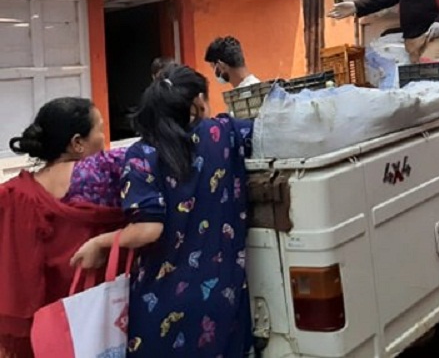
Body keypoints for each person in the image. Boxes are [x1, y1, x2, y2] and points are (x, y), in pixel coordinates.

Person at [71, 65, 254, 357]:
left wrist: (99, 243)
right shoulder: (225, 133)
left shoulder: (142, 155)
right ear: (197, 101)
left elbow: (148, 229)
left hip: (160, 302)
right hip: (222, 299)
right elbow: (273, 131)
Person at [0, 98, 125, 358]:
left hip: (43, 329)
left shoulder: (14, 194)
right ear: (77, 143)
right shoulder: (105, 180)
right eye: (100, 129)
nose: (104, 138)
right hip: (96, 320)